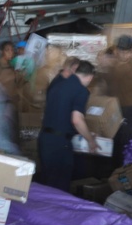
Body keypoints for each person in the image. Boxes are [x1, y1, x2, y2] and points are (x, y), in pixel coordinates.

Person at [38, 60, 98, 192]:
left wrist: (84, 133)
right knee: (59, 188)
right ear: (90, 77)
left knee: (47, 184)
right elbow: (77, 120)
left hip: (44, 139)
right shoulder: (81, 90)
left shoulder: (57, 84)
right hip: (60, 144)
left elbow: (61, 114)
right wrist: (90, 140)